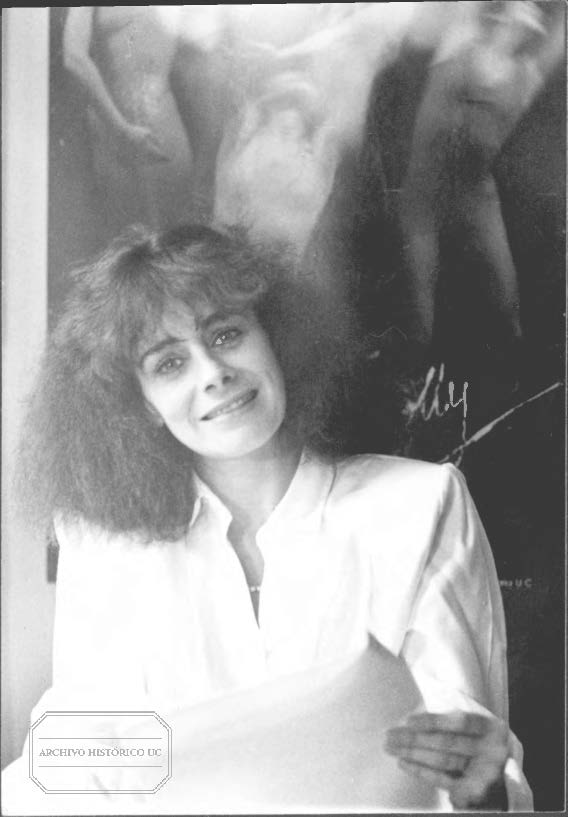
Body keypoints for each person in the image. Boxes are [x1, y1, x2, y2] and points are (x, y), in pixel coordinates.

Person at [7, 225, 531, 811]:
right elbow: (71, 762)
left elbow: (469, 767)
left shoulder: (421, 505)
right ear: (142, 406)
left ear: (277, 338)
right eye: (170, 363)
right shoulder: (104, 548)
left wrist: (484, 787)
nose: (213, 372)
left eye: (226, 334)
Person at [63, 7, 194, 236]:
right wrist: (120, 129)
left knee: (172, 235)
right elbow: (74, 57)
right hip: (114, 129)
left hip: (166, 127)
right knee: (126, 235)